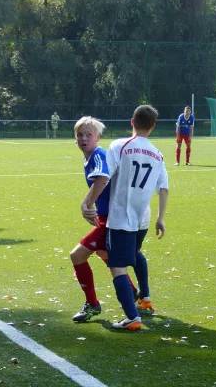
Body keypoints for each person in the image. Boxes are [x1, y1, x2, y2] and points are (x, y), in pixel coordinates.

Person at [83, 105, 168, 330]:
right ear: (153, 126)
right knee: (136, 253)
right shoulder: (158, 154)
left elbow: (103, 177)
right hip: (143, 220)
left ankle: (132, 318)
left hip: (121, 218)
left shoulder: (119, 146)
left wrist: (87, 202)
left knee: (118, 267)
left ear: (132, 121)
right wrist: (161, 218)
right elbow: (164, 188)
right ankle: (145, 297)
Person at [71, 116, 153, 323]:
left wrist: (86, 203)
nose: (83, 139)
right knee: (106, 253)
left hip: (111, 218)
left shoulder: (98, 155)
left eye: (88, 135)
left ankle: (93, 304)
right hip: (110, 216)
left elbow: (102, 179)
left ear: (97, 137)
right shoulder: (90, 156)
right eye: (79, 135)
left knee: (77, 256)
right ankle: (135, 292)